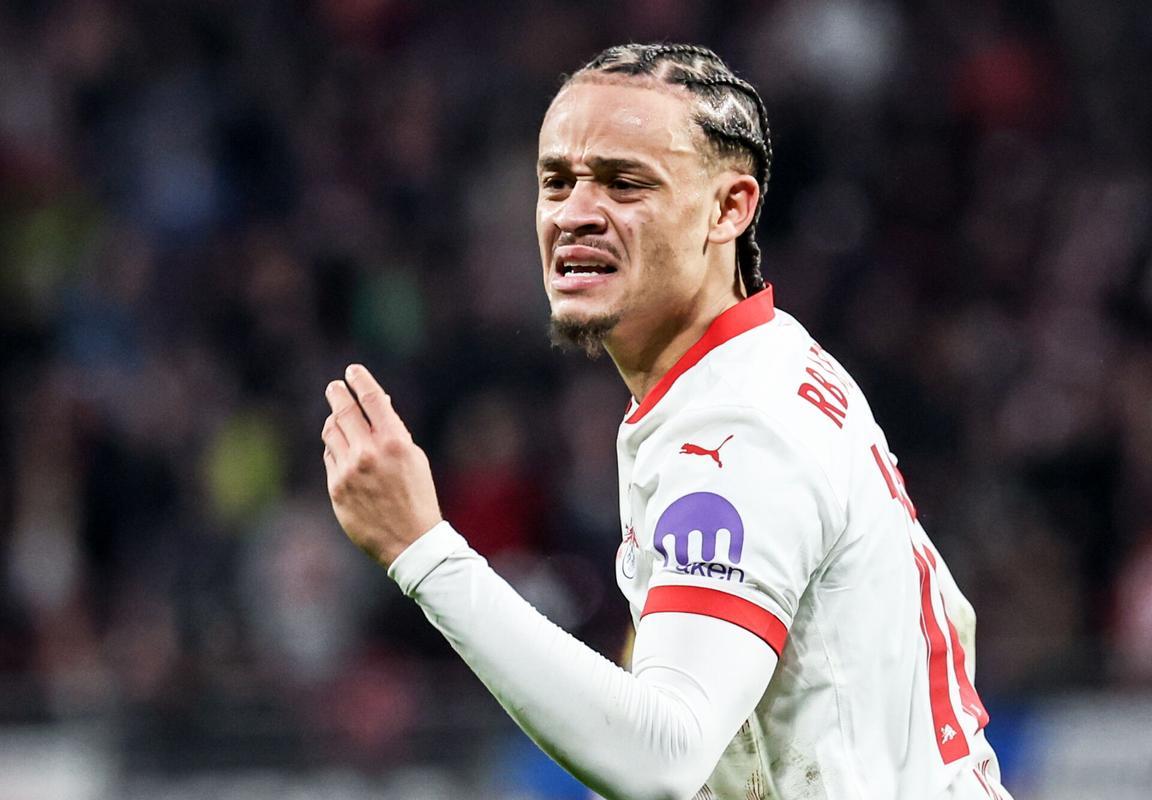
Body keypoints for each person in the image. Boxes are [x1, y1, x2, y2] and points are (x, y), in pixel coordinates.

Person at [320, 43, 1012, 800]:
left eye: (625, 183)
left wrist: (423, 552)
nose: (576, 214)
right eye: (557, 181)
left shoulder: (738, 431)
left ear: (729, 208)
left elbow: (663, 756)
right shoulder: (751, 369)